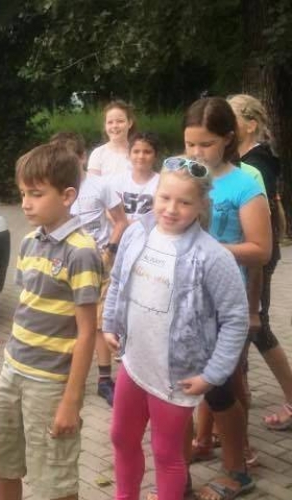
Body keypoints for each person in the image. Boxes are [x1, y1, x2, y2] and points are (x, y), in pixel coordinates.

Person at [104, 157, 249, 500]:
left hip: (177, 376)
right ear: (154, 195)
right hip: (135, 363)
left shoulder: (212, 257)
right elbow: (117, 280)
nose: (171, 209)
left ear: (201, 206)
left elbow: (235, 319)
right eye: (164, 198)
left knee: (167, 453)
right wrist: (109, 321)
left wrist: (213, 374)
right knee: (121, 439)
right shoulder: (136, 233)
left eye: (184, 202)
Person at [0, 142, 102, 500]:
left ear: (67, 196)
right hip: (14, 370)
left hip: (51, 383)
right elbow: (28, 306)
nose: (25, 203)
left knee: (54, 478)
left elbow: (87, 334)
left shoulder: (81, 252)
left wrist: (72, 400)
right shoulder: (28, 242)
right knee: (2, 461)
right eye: (23, 193)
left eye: (36, 194)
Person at [183, 97, 271, 500]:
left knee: (225, 385)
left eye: (205, 144)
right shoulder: (182, 174)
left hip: (223, 301)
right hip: (183, 299)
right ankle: (191, 452)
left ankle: (237, 470)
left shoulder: (244, 185)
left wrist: (210, 247)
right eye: (190, 144)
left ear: (228, 139)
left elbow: (261, 250)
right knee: (187, 384)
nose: (196, 154)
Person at [228, 94, 292, 431]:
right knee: (244, 326)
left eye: (232, 117)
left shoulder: (258, 164)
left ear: (251, 124)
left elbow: (258, 223)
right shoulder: (240, 158)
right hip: (240, 254)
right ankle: (239, 396)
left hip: (254, 256)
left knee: (258, 325)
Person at [53, 132, 128, 407]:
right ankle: (67, 377)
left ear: (82, 157)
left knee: (96, 322)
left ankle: (104, 380)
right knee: (65, 317)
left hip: (98, 261)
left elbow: (121, 221)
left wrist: (109, 250)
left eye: (71, 159)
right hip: (66, 261)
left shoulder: (101, 185)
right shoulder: (56, 187)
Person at [110, 132, 161, 223]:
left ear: (155, 156)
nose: (141, 156)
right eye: (136, 151)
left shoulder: (161, 183)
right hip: (123, 232)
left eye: (147, 152)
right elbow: (109, 212)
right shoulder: (118, 182)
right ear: (129, 154)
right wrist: (126, 224)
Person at [87, 100, 136, 177]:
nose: (115, 126)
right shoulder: (98, 154)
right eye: (110, 122)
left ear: (129, 123)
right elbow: (93, 186)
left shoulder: (138, 153)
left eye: (120, 121)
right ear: (105, 125)